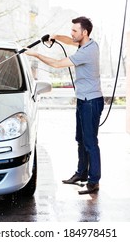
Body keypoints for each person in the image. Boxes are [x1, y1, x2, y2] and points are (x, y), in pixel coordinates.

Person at [25, 16, 104, 195]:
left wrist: (35, 54)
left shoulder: (87, 52)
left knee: (91, 143)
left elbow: (58, 64)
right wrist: (56, 36)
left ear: (84, 32)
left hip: (91, 102)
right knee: (80, 139)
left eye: (75, 30)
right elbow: (70, 40)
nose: (72, 33)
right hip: (83, 100)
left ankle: (94, 182)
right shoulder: (88, 43)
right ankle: (81, 173)